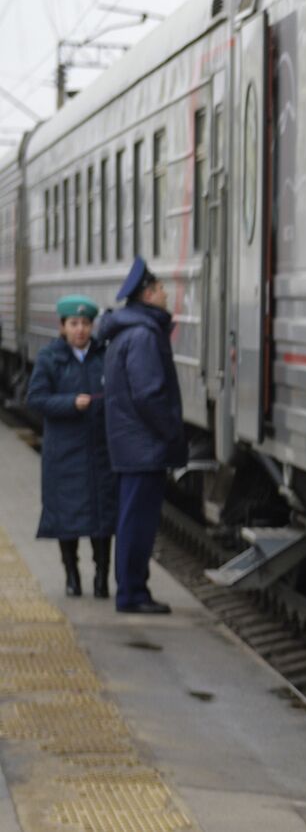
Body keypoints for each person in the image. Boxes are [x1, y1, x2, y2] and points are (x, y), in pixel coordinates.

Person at [94, 257, 186, 614]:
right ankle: (132, 593)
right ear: (148, 294)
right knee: (138, 522)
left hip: (132, 443)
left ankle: (133, 589)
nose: (166, 294)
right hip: (143, 445)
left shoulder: (129, 332)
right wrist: (170, 433)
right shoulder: (144, 336)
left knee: (134, 519)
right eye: (162, 288)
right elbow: (149, 394)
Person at [26, 295, 118, 598]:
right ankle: (72, 575)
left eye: (86, 324)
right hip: (64, 454)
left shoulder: (104, 356)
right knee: (67, 519)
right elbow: (35, 399)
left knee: (102, 519)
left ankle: (102, 578)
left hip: (98, 451)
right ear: (62, 326)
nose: (80, 329)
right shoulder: (50, 357)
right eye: (74, 324)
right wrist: (70, 403)